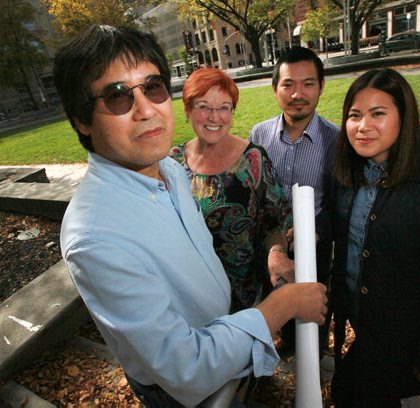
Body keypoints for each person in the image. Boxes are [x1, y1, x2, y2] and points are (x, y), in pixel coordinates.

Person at [54, 25, 328, 408]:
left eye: (152, 87)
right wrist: (283, 305)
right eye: (117, 96)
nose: (146, 109)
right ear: (81, 120)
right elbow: (187, 366)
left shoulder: (167, 170)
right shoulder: (96, 236)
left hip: (234, 335)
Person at [325, 68, 420, 407]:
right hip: (365, 330)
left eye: (378, 113)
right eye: (354, 115)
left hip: (405, 341)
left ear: (404, 117)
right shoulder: (348, 175)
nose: (363, 125)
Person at [169, 68, 293, 313]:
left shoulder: (253, 159)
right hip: (193, 296)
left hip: (247, 297)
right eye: (204, 106)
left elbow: (276, 224)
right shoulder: (173, 162)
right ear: (187, 110)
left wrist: (277, 253)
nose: (215, 117)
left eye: (224, 107)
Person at [249, 46, 339, 352]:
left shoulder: (336, 141)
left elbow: (340, 203)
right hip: (270, 244)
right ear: (275, 88)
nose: (297, 93)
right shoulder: (259, 136)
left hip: (314, 245)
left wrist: (315, 230)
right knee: (275, 305)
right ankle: (281, 348)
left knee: (312, 320)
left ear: (321, 86)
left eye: (308, 84)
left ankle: (311, 360)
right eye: (288, 84)